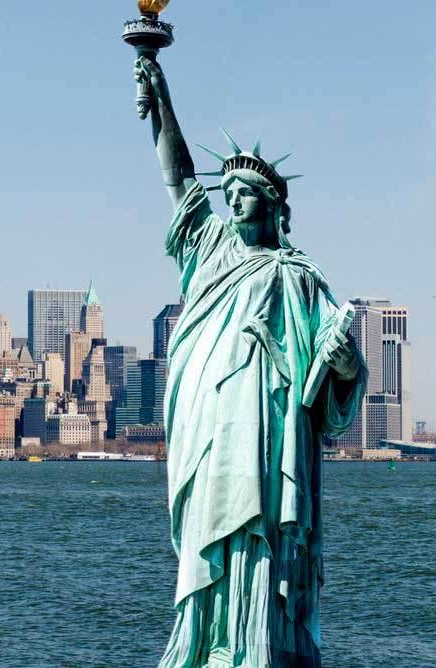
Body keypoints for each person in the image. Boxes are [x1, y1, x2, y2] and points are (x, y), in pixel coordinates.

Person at [134, 56, 366, 667]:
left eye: (245, 195)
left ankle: (259, 648)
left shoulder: (299, 277)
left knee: (263, 534)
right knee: (212, 530)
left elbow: (342, 371)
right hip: (211, 434)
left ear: (271, 205)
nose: (233, 204)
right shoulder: (208, 250)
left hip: (272, 436)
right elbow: (178, 179)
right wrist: (160, 99)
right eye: (229, 194)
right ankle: (209, 645)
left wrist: (341, 363)